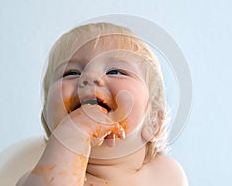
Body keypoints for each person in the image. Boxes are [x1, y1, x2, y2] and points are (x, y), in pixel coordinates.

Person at [16, 22, 188, 186]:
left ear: (153, 122)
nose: (89, 77)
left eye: (115, 71)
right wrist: (72, 133)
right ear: (47, 119)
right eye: (71, 72)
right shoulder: (37, 179)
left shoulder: (167, 174)